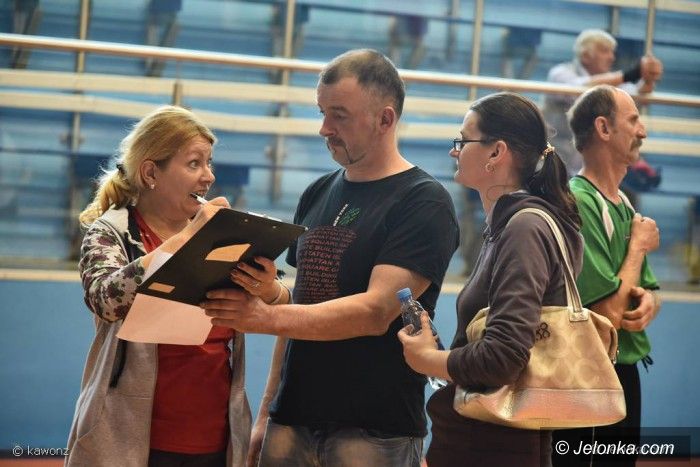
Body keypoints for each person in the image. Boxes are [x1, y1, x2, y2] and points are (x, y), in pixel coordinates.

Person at [201, 49, 459, 467]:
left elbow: (375, 312)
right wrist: (267, 410)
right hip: (292, 419)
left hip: (373, 429)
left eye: (339, 115)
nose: (324, 128)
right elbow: (301, 310)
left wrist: (263, 316)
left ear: (385, 119)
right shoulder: (318, 191)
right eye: (322, 113)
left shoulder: (423, 201)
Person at [65, 106, 291, 467]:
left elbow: (283, 305)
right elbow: (104, 299)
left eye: (209, 163)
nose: (209, 176)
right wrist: (188, 239)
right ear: (151, 172)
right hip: (131, 438)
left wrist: (268, 289)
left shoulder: (224, 233)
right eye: (194, 164)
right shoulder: (112, 231)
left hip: (217, 437)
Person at [397, 91, 584, 467]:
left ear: (496, 152)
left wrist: (429, 359)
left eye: (463, 141)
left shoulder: (524, 228)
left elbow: (503, 357)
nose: (454, 151)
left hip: (493, 444)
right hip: (485, 437)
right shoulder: (510, 225)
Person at [551, 85, 661, 467]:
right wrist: (638, 247)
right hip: (590, 378)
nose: (642, 131)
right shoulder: (579, 201)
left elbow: (647, 289)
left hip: (623, 373)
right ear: (603, 128)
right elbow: (607, 317)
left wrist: (649, 303)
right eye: (633, 120)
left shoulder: (624, 203)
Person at [543, 29, 663, 176]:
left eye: (612, 52)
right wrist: (630, 75)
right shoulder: (560, 73)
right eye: (605, 51)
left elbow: (636, 94)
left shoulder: (611, 81)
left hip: (588, 167)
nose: (612, 57)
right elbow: (581, 89)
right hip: (555, 163)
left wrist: (648, 77)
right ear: (585, 56)